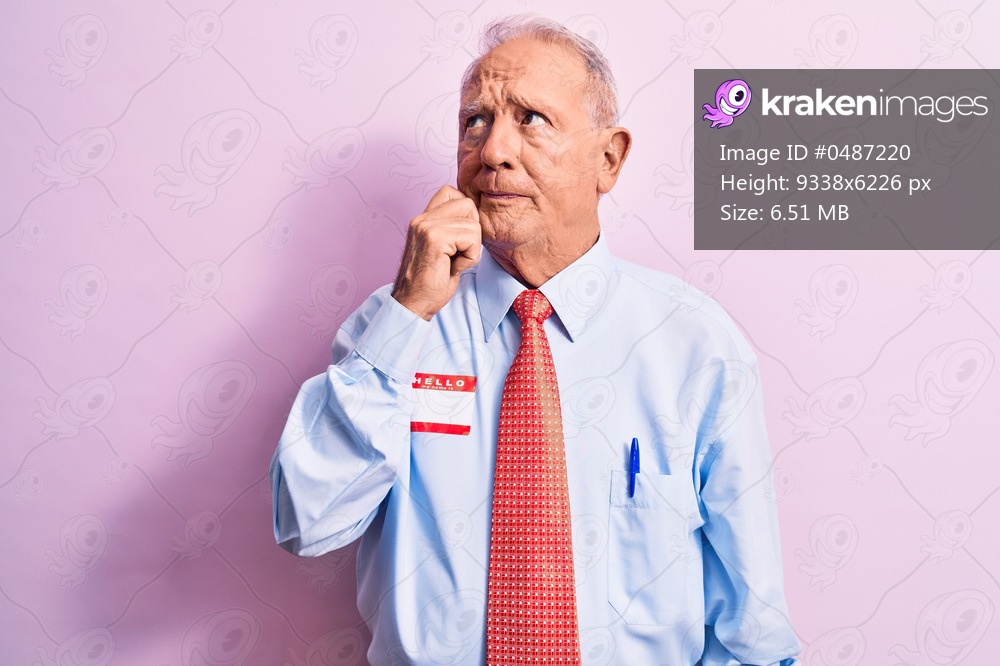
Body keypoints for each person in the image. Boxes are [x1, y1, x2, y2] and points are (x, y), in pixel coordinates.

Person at [271, 14, 801, 666]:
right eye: (474, 122)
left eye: (531, 120)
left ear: (608, 158)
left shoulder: (694, 343)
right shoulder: (393, 329)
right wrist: (408, 311)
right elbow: (307, 521)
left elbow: (752, 617)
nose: (492, 151)